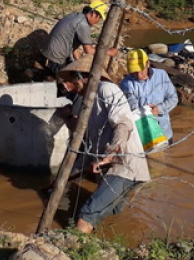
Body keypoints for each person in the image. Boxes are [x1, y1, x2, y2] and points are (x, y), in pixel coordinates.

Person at [57, 55, 150, 234]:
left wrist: (110, 155)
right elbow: (86, 136)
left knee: (85, 217)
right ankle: (110, 244)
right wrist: (68, 117)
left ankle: (76, 254)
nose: (69, 86)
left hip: (123, 166)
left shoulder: (107, 89)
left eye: (70, 81)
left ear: (81, 77)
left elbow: (123, 124)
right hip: (111, 167)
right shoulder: (89, 101)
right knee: (113, 213)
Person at [39, 0, 119, 77]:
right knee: (67, 83)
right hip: (55, 57)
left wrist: (78, 62)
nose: (98, 21)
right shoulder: (83, 24)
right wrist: (109, 52)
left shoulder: (76, 16)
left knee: (74, 72)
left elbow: (73, 45)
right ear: (93, 14)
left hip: (49, 51)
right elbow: (89, 50)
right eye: (99, 18)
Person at [120, 49, 179, 145]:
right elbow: (131, 105)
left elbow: (173, 99)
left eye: (141, 71)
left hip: (164, 131)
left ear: (148, 63)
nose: (138, 75)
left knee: (167, 157)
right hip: (143, 135)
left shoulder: (161, 75)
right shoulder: (126, 83)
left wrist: (158, 109)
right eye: (134, 72)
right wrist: (145, 112)